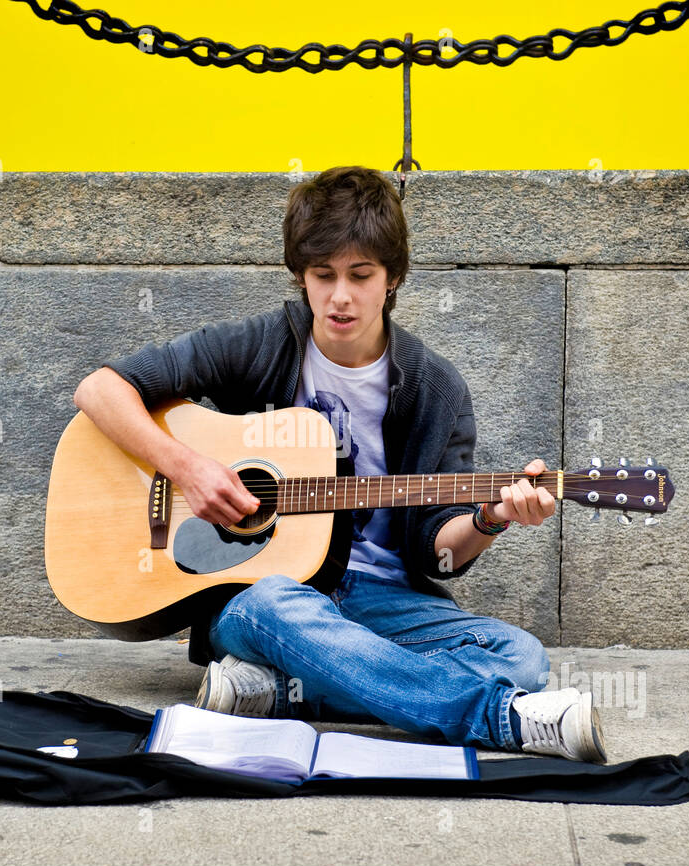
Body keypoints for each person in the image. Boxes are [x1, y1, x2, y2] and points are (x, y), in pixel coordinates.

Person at [73, 165, 606, 761]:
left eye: (361, 275)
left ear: (393, 277)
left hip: (382, 598)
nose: (340, 296)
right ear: (301, 276)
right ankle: (494, 718)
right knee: (277, 603)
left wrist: (490, 519)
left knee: (522, 656)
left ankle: (282, 690)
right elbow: (99, 390)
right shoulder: (260, 344)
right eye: (322, 276)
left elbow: (439, 551)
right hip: (262, 596)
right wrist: (186, 467)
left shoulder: (435, 389)